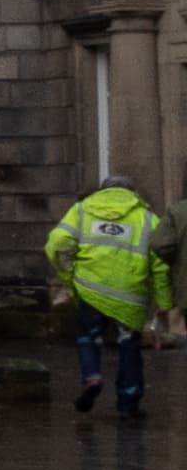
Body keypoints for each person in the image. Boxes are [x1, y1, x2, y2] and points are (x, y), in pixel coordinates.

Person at [48, 174, 174, 412]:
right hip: (130, 296)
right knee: (129, 346)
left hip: (90, 289)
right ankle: (128, 404)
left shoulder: (82, 210)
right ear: (132, 193)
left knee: (88, 337)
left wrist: (69, 276)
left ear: (103, 191)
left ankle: (92, 377)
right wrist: (164, 301)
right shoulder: (147, 218)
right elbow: (160, 265)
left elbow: (58, 243)